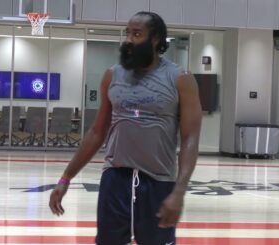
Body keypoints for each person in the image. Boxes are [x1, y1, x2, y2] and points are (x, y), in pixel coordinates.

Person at [49, 11, 202, 245]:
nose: (128, 39)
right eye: (127, 33)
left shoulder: (180, 78)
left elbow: (190, 138)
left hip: (158, 181)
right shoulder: (112, 75)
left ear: (155, 39)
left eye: (137, 34)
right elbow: (97, 132)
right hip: (115, 178)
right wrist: (65, 179)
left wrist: (179, 192)